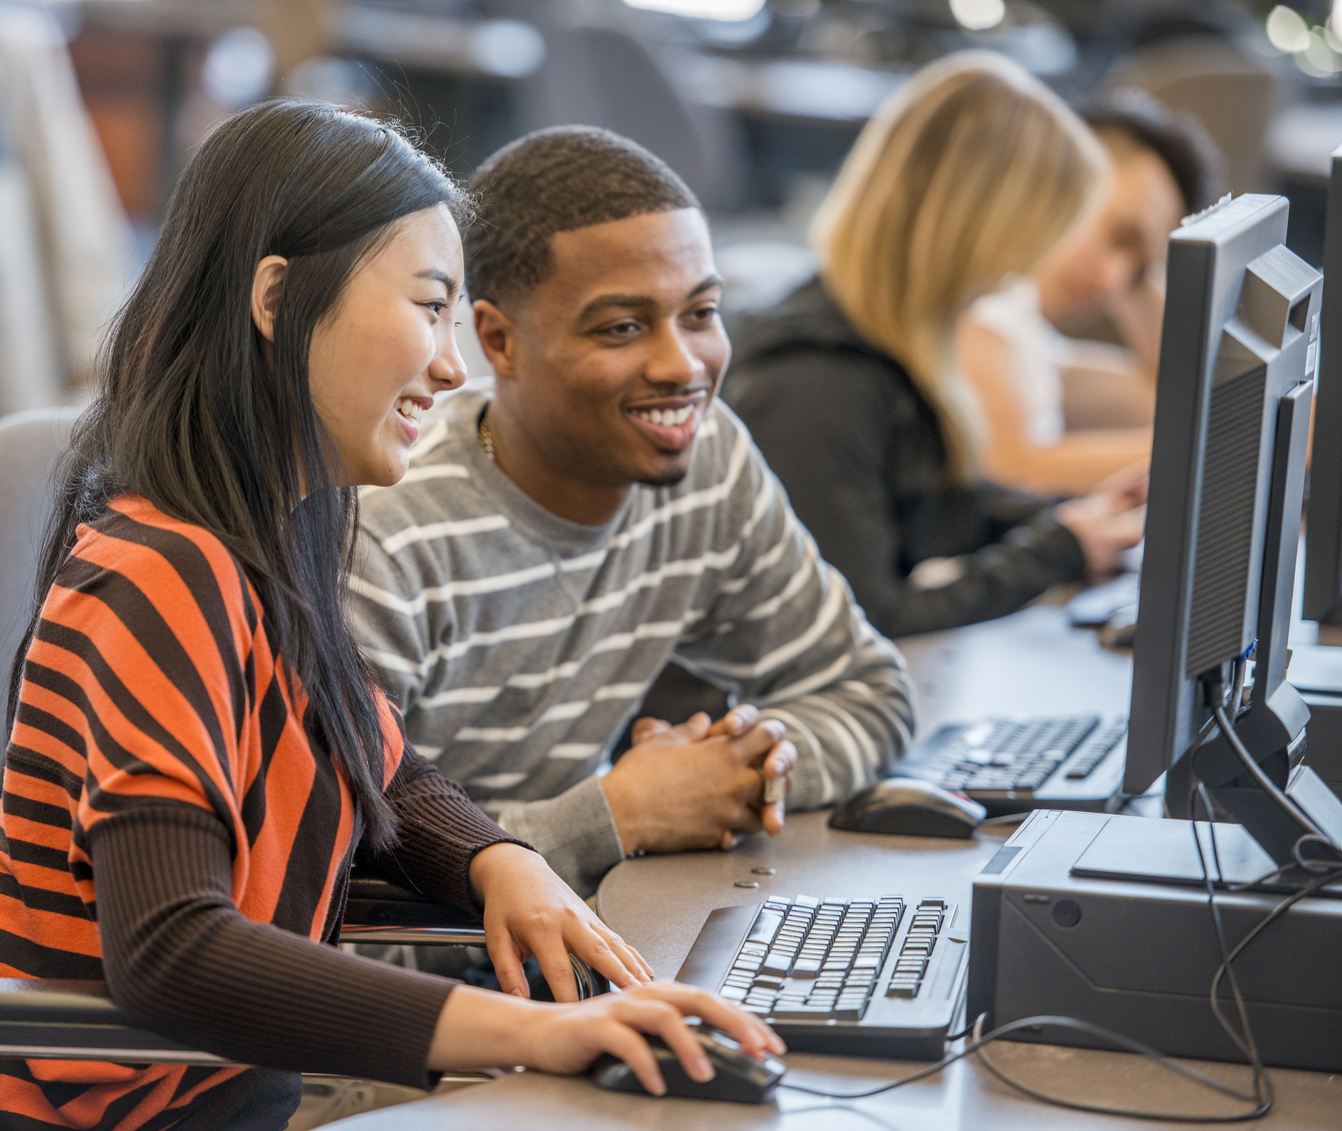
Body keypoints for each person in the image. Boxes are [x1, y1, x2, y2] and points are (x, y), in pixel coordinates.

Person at [0, 101, 781, 1131]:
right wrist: (533, 1034)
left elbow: (379, 767)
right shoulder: (158, 572)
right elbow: (172, 952)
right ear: (277, 298)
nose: (452, 366)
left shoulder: (266, 538)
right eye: (429, 307)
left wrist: (499, 860)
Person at [348, 125, 914, 899]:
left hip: (589, 935)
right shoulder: (387, 537)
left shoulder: (706, 461)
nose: (682, 366)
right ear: (498, 340)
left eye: (702, 313)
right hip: (429, 993)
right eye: (622, 327)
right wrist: (619, 813)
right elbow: (341, 858)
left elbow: (869, 689)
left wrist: (742, 774)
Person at [723, 53, 1147, 642]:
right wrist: (1053, 556)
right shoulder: (820, 381)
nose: (1018, 273)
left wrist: (1059, 522)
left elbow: (931, 506)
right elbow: (863, 617)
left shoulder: (888, 338)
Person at [957, 92, 1226, 495]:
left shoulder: (1024, 326)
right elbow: (1009, 468)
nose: (1112, 281)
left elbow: (1167, 395)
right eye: (1117, 234)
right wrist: (1229, 451)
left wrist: (1142, 261)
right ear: (1062, 170)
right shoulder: (981, 302)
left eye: (1136, 271)